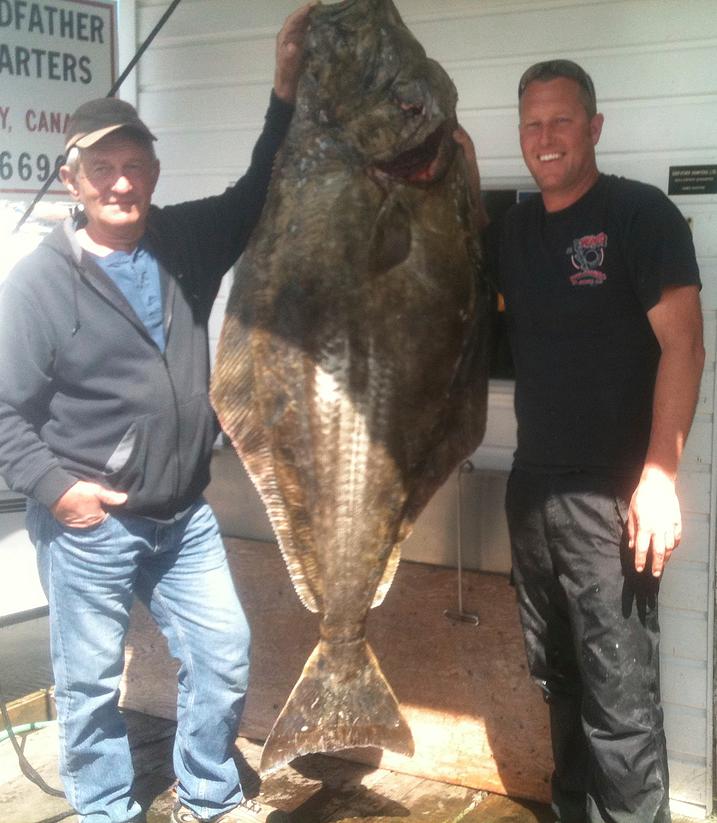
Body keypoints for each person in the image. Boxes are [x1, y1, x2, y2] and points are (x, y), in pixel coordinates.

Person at [0, 5, 314, 822]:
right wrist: (55, 488)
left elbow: (257, 192)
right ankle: (105, 808)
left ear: (152, 172)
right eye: (102, 167)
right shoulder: (39, 282)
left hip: (182, 515)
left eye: (134, 164)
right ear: (73, 179)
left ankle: (209, 794)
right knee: (90, 681)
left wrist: (284, 89)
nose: (121, 181)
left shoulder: (182, 244)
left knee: (223, 654)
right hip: (89, 524)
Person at [457, 60, 704, 822]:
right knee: (558, 681)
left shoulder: (639, 216)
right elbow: (448, 253)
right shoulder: (511, 235)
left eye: (561, 120)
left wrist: (660, 472)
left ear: (593, 127)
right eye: (531, 124)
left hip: (614, 496)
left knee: (618, 698)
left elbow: (684, 344)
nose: (545, 138)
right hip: (533, 491)